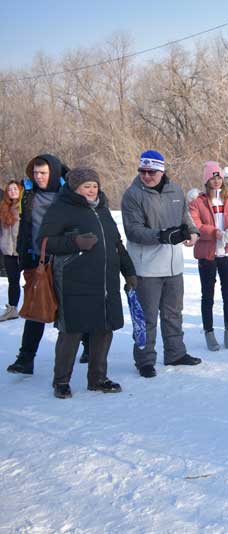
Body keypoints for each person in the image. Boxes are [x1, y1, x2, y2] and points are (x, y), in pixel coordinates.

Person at [37, 168, 137, 398]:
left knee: (104, 329)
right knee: (71, 331)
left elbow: (117, 243)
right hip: (74, 280)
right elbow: (43, 241)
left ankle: (98, 378)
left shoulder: (102, 209)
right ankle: (61, 381)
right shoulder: (61, 208)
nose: (92, 190)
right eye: (86, 187)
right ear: (74, 188)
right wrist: (75, 241)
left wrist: (129, 272)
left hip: (105, 281)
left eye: (94, 186)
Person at [121, 150, 201, 378]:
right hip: (146, 267)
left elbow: (186, 218)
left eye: (152, 172)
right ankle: (145, 360)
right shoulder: (133, 195)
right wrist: (162, 236)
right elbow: (133, 230)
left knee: (174, 312)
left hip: (174, 266)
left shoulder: (176, 190)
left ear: (162, 171)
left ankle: (176, 352)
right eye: (143, 171)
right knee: (146, 317)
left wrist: (192, 232)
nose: (147, 176)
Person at [6, 155, 69, 374]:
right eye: (35, 172)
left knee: (69, 307)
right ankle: (26, 359)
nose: (38, 177)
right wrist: (24, 257)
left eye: (43, 173)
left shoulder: (67, 192)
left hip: (64, 259)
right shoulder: (29, 193)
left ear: (53, 172)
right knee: (36, 308)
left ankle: (88, 346)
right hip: (36, 261)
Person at [189, 161, 228, 351]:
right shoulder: (198, 201)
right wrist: (214, 232)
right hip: (208, 253)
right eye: (212, 178)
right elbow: (195, 224)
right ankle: (209, 332)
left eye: (219, 178)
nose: (216, 182)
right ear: (207, 180)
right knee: (208, 295)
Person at [0, 180, 22, 322]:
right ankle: (12, 309)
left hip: (23, 250)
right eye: (10, 190)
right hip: (8, 251)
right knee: (13, 281)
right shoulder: (3, 208)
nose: (12, 192)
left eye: (15, 189)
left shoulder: (25, 207)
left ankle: (40, 306)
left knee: (34, 280)